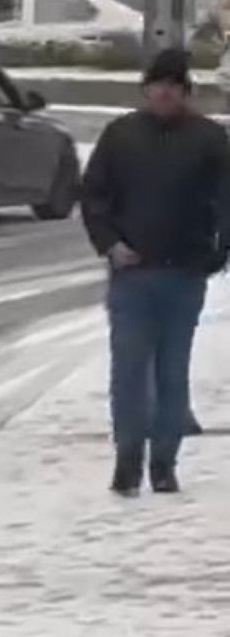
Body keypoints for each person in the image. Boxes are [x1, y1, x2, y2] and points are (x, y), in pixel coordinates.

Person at [81, 47, 230, 497]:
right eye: (157, 85)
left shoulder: (208, 140)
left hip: (184, 272)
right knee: (128, 369)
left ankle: (163, 462)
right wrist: (110, 244)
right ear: (146, 89)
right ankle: (128, 459)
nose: (164, 93)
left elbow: (227, 201)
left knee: (172, 369)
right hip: (132, 272)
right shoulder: (121, 135)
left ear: (185, 91)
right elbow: (94, 197)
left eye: (173, 86)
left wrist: (217, 253)